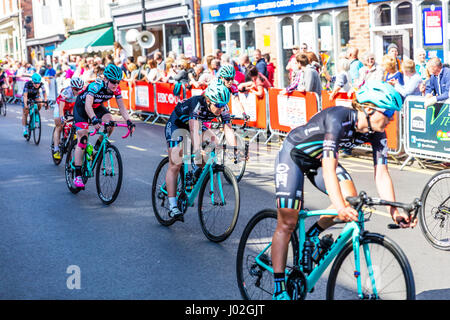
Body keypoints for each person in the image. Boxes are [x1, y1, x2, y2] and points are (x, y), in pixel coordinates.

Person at [271, 80, 417, 300]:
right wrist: (338, 206)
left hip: (318, 160)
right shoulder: (338, 119)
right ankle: (279, 287)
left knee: (352, 201)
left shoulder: (377, 133)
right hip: (294, 155)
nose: (392, 118)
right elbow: (329, 169)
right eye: (388, 112)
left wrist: (393, 211)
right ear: (369, 108)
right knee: (288, 221)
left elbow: (382, 173)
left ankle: (312, 234)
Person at [164, 81, 236, 220]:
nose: (221, 108)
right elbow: (193, 129)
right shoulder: (197, 104)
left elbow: (228, 128)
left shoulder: (222, 106)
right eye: (218, 105)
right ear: (209, 100)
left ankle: (196, 173)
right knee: (176, 162)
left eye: (223, 105)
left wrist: (235, 149)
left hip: (196, 126)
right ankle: (173, 206)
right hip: (177, 124)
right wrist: (197, 150)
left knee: (215, 141)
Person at [72, 64, 135, 188]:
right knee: (83, 138)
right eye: (113, 82)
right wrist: (94, 119)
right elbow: (88, 106)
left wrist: (128, 120)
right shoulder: (96, 86)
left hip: (97, 107)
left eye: (118, 82)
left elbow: (121, 106)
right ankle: (77, 174)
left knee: (111, 124)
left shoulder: (116, 89)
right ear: (106, 79)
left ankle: (96, 149)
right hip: (82, 107)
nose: (116, 85)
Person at [52, 77, 84, 160]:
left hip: (71, 106)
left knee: (75, 122)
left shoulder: (82, 91)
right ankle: (56, 149)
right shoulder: (67, 91)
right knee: (59, 126)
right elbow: (61, 107)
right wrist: (62, 117)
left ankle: (70, 140)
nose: (78, 91)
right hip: (61, 106)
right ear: (72, 88)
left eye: (80, 89)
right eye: (76, 89)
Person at [22, 73, 48, 138]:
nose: (37, 85)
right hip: (27, 96)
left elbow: (44, 93)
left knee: (40, 102)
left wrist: (45, 101)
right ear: (32, 81)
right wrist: (25, 105)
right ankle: (25, 129)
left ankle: (36, 113)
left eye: (38, 83)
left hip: (35, 96)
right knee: (25, 112)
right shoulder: (27, 84)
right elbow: (25, 96)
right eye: (35, 83)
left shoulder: (41, 84)